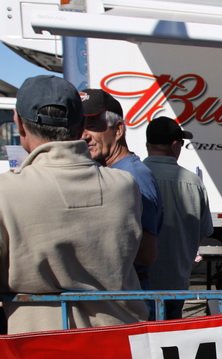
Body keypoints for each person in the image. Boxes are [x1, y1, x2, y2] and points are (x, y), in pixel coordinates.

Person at [0, 75, 147, 333]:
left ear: (20, 125)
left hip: (38, 344)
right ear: (80, 127)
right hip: (119, 338)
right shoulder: (124, 186)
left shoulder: (6, 191)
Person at [81, 88, 162, 287]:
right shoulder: (112, 170)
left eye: (92, 126)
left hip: (128, 294)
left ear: (118, 130)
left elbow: (146, 254)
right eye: (79, 126)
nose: (83, 135)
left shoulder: (133, 176)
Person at [143, 117, 213, 320]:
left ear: (148, 145)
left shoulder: (133, 176)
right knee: (170, 334)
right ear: (175, 145)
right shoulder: (193, 182)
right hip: (176, 281)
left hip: (140, 284)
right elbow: (204, 231)